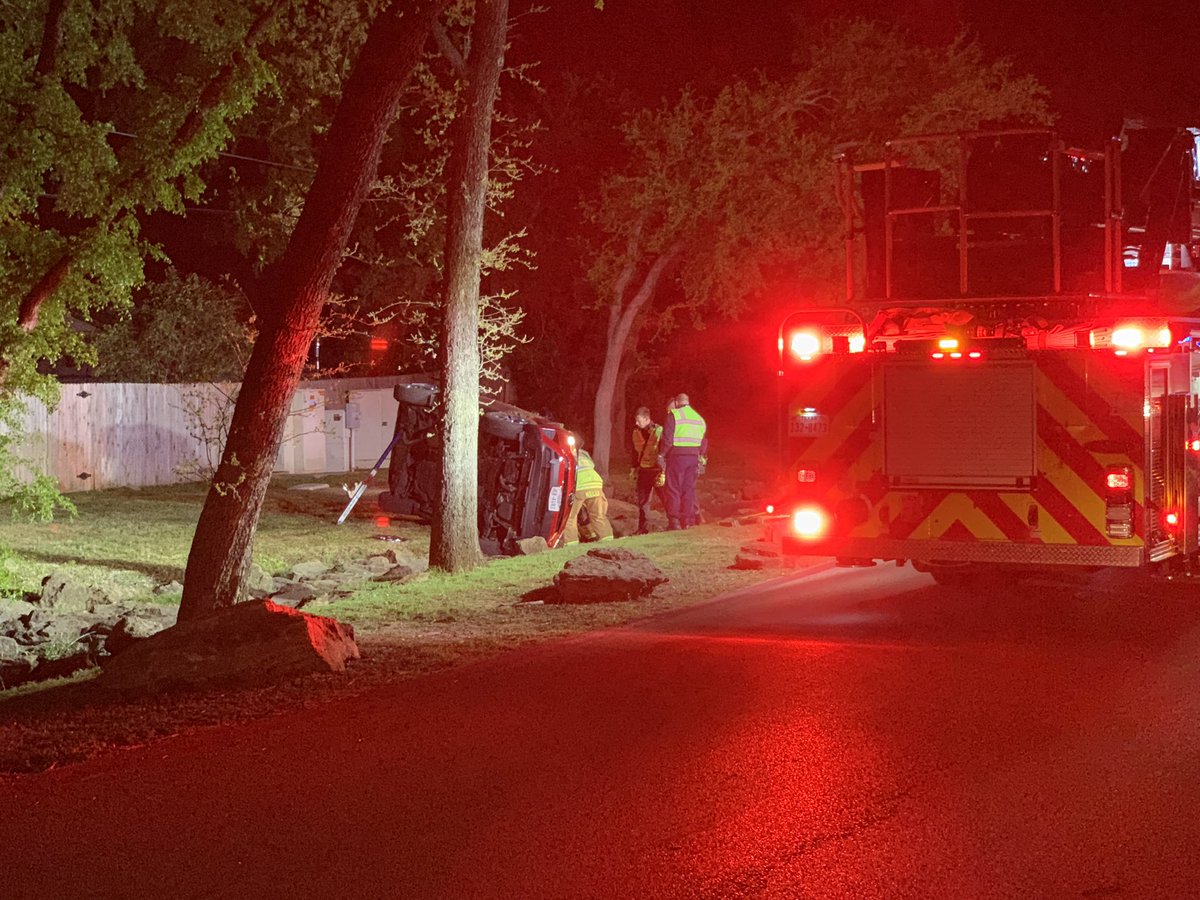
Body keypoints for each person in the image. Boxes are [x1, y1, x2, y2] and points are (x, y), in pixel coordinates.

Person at [658, 392, 708, 530]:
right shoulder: (699, 419)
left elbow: (667, 438)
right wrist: (701, 458)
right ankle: (688, 520)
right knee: (688, 489)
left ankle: (674, 521)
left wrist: (662, 455)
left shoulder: (674, 415)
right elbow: (704, 441)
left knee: (673, 488)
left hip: (676, 456)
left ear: (677, 403)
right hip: (693, 458)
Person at [562, 443, 614, 545]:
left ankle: (571, 544)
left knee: (570, 517)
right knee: (599, 515)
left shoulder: (565, 453)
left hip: (580, 484)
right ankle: (608, 540)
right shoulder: (583, 453)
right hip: (596, 482)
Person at [629, 406, 666, 534]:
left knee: (665, 498)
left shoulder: (659, 431)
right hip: (644, 470)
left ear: (646, 419)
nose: (636, 423)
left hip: (656, 470)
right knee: (643, 501)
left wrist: (663, 471)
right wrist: (634, 468)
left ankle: (675, 523)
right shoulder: (636, 432)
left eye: (638, 420)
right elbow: (635, 451)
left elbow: (664, 452)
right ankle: (643, 528)